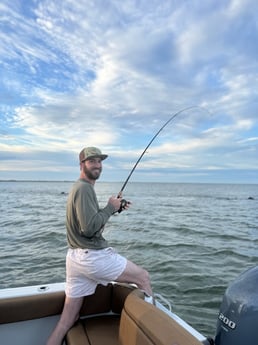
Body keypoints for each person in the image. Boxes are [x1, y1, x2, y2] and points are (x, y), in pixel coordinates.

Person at [46, 147, 153, 345]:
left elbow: (93, 225)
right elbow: (89, 229)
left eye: (99, 161)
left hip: (75, 259)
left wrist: (114, 209)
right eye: (92, 161)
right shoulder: (85, 188)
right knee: (143, 277)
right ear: (81, 165)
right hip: (92, 257)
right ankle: (154, 331)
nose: (97, 165)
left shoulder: (79, 188)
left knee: (67, 320)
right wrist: (109, 207)